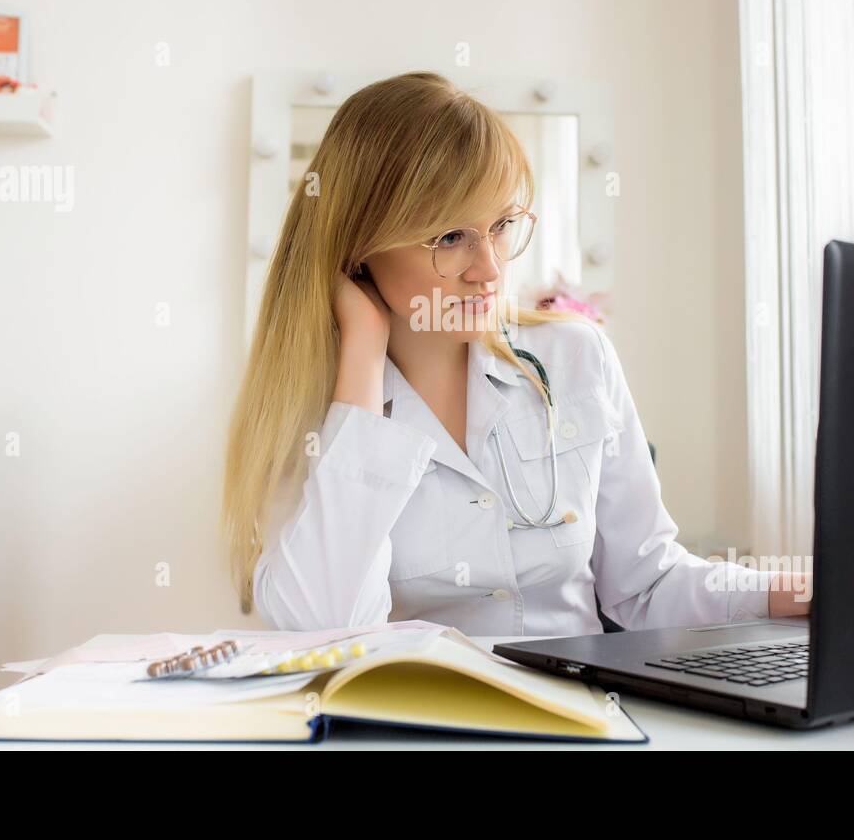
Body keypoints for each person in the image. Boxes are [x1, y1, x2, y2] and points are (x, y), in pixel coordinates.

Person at [222, 70, 810, 634]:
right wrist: (363, 355)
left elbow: (646, 587)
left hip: (579, 719)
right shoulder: (309, 408)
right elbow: (328, 627)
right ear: (358, 250)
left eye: (502, 224)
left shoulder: (575, 356)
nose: (490, 268)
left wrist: (787, 592)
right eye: (450, 237)